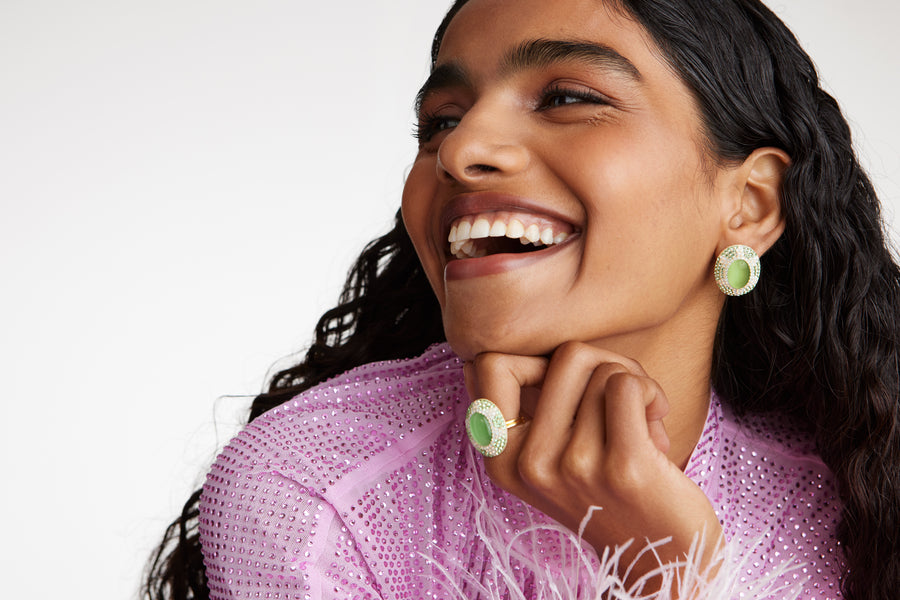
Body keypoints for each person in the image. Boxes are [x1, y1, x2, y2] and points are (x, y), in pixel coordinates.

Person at [144, 0, 900, 598]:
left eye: (567, 97)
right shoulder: (316, 488)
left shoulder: (837, 501)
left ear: (752, 206)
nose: (461, 149)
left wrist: (671, 576)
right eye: (441, 119)